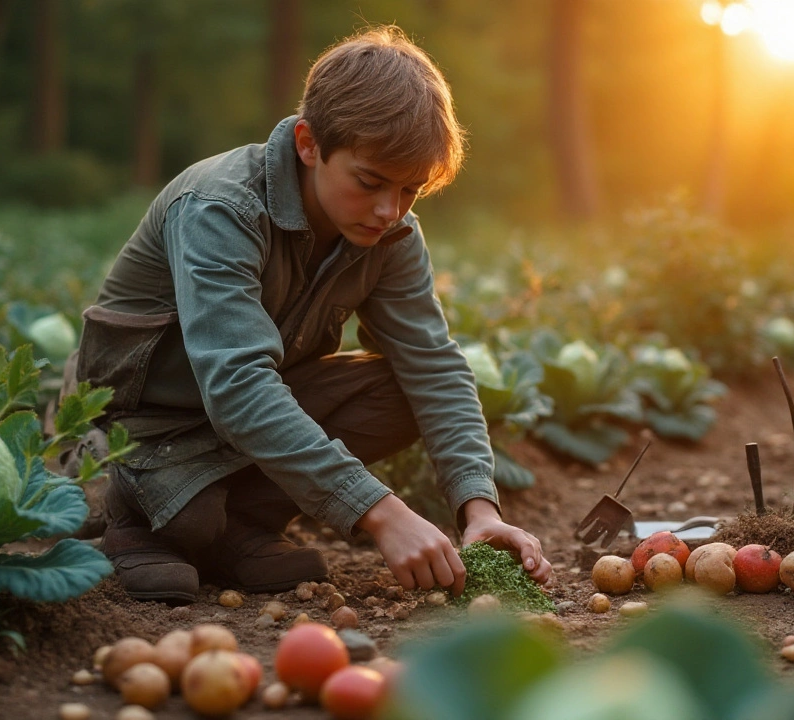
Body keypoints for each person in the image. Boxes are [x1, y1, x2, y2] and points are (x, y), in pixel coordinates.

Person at [70, 26, 552, 605]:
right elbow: (238, 384)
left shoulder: (390, 231)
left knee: (407, 388)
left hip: (242, 417)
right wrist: (380, 512)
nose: (388, 210)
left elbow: (434, 366)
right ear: (307, 143)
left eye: (410, 190)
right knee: (189, 523)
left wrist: (478, 507)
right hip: (145, 419)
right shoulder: (219, 208)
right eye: (370, 182)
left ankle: (239, 524)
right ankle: (136, 505)